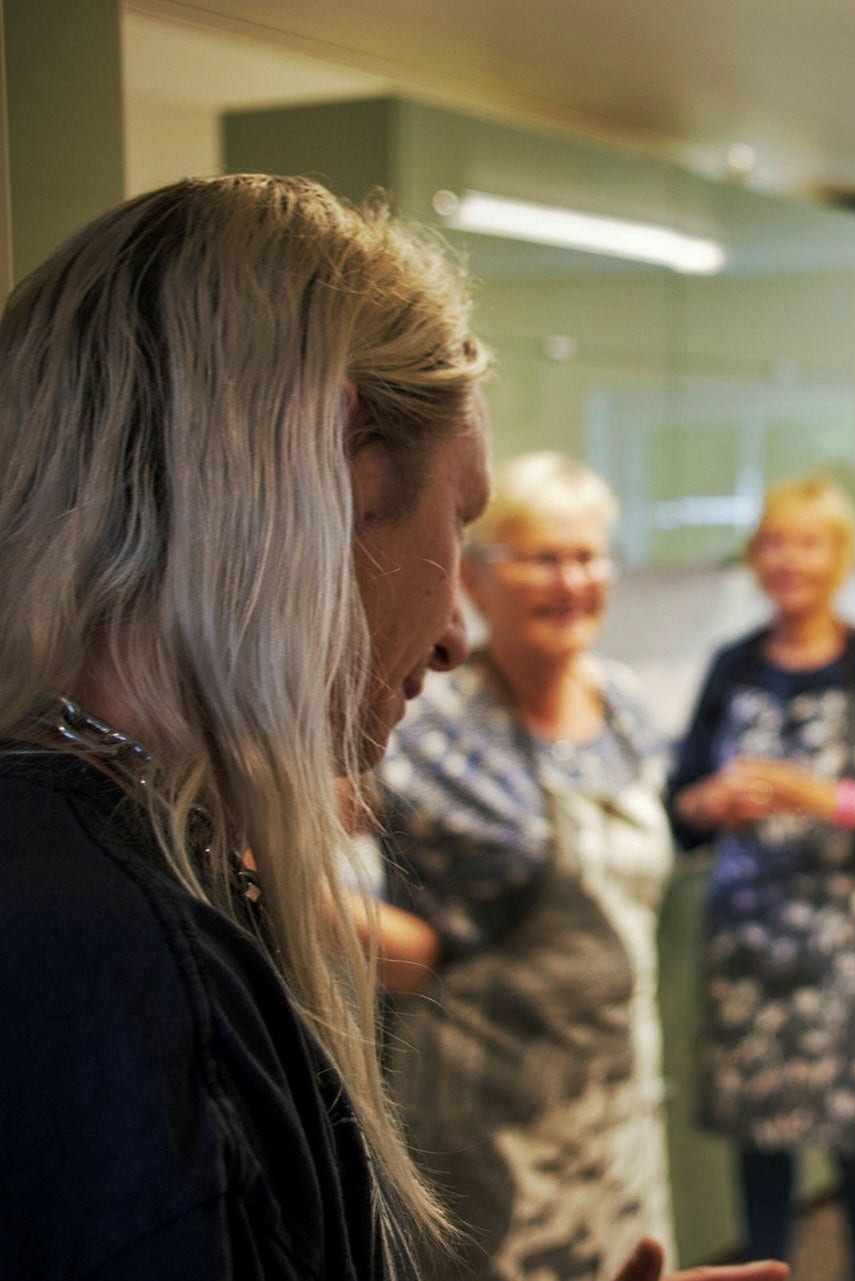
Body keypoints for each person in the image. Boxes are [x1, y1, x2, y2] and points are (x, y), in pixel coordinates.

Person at [0, 175, 783, 1281]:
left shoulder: (104, 859)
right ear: (327, 476)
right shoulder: (120, 970)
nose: (454, 632)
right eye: (457, 523)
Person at [365, 452, 678, 1278]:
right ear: (474, 578)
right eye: (541, 557)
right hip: (485, 1130)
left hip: (616, 1111)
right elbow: (287, 828)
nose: (570, 580)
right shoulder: (430, 725)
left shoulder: (625, 704)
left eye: (586, 556)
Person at [669, 474, 855, 1281]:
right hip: (752, 947)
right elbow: (678, 808)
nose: (791, 559)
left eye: (810, 541)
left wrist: (821, 796)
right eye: (775, 541)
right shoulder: (732, 665)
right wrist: (715, 800)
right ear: (755, 557)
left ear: (841, 557)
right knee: (764, 1144)